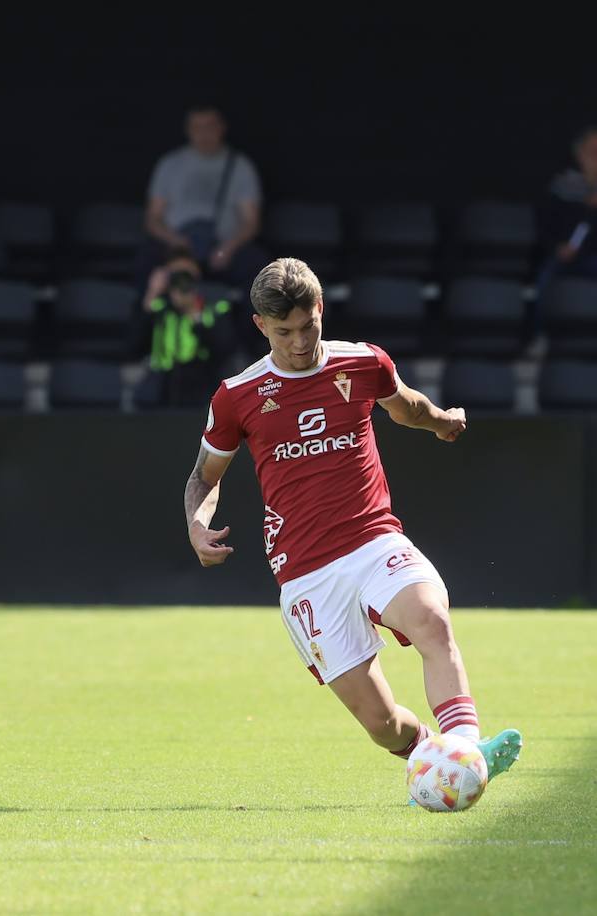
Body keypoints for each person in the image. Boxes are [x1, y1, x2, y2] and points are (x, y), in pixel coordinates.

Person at [183, 257, 522, 799]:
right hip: (306, 573)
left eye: (307, 326)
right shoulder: (237, 395)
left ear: (321, 309)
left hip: (373, 539)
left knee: (432, 621)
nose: (298, 342)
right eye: (284, 332)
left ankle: (465, 751)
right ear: (260, 326)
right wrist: (198, 525)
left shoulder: (362, 363)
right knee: (382, 724)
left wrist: (441, 421)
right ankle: (429, 755)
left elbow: (406, 407)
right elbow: (203, 477)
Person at [139, 105, 265, 293]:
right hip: (176, 244)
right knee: (145, 261)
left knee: (260, 270)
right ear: (188, 130)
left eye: (209, 126)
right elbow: (153, 218)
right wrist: (175, 242)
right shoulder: (170, 164)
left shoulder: (240, 166)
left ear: (221, 128)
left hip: (224, 245)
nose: (204, 133)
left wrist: (228, 248)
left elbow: (250, 221)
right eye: (197, 127)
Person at [135, 248, 237, 407]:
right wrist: (152, 292)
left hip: (202, 385)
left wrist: (195, 315)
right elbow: (134, 345)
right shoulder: (158, 307)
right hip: (161, 387)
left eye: (188, 276)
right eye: (176, 276)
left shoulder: (215, 305)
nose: (183, 283)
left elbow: (225, 351)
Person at [537, 126, 597, 297]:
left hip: (593, 256)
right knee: (543, 280)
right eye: (592, 151)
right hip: (563, 255)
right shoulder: (562, 186)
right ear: (579, 153)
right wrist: (557, 247)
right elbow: (546, 225)